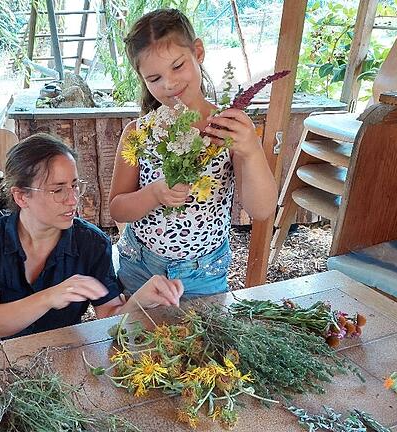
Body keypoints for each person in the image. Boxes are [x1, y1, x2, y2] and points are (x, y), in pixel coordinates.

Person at [109, 8, 278, 298]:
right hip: (140, 268)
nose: (169, 84)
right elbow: (117, 208)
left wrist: (250, 151)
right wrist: (154, 194)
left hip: (203, 273)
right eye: (154, 78)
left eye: (177, 66)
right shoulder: (138, 133)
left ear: (197, 52)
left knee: (202, 342)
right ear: (142, 79)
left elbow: (261, 210)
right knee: (139, 341)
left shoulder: (229, 129)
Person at [0, 133, 183, 344]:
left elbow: (109, 316)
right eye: (58, 190)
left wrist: (139, 301)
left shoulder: (91, 243)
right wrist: (50, 297)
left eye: (75, 185)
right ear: (21, 196)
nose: (72, 200)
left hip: (61, 355)